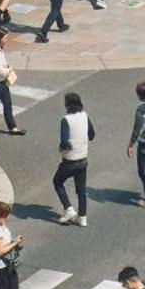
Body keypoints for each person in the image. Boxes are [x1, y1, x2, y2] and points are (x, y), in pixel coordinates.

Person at [53, 92, 94, 225]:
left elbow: (65, 142)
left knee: (58, 182)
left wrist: (63, 147)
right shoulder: (85, 115)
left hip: (70, 161)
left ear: (68, 105)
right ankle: (82, 217)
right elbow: (92, 135)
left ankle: (68, 208)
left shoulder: (66, 120)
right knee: (81, 189)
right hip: (83, 159)